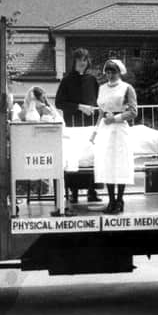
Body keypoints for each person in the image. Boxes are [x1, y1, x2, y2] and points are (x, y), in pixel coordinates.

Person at [90, 59, 138, 214]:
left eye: (113, 72)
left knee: (120, 162)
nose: (110, 75)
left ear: (119, 72)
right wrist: (95, 131)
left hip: (119, 127)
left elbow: (133, 112)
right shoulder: (102, 88)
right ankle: (111, 200)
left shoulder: (127, 88)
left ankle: (120, 200)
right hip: (105, 128)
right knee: (107, 163)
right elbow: (101, 112)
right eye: (108, 72)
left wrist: (116, 118)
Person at [55, 48, 101, 203]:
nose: (83, 63)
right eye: (80, 59)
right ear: (74, 61)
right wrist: (79, 107)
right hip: (73, 127)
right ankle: (73, 193)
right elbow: (59, 103)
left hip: (90, 127)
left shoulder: (92, 80)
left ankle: (91, 191)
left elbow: (98, 101)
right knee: (74, 158)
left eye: (85, 60)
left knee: (91, 158)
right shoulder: (66, 80)